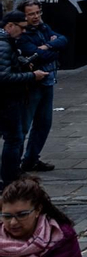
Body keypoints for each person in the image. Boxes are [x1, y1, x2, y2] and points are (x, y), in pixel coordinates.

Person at [16, 2, 66, 174]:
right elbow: (34, 55)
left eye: (37, 13)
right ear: (24, 16)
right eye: (31, 14)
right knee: (23, 126)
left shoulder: (44, 28)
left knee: (44, 123)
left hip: (48, 80)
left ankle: (31, 159)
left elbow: (62, 40)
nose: (35, 16)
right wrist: (51, 48)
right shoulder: (22, 35)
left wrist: (48, 47)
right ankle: (14, 164)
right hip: (32, 84)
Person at [1, 12, 48, 186]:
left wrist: (21, 62)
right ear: (9, 26)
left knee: (14, 137)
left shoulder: (8, 43)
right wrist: (31, 76)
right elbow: (4, 77)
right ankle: (9, 178)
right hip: (6, 100)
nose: (23, 32)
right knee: (14, 139)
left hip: (9, 99)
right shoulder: (4, 45)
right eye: (21, 28)